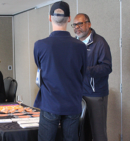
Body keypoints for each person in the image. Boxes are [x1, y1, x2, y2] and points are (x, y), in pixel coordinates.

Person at [33, 2, 87, 141]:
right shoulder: (81, 47)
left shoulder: (40, 45)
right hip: (72, 103)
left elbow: (40, 67)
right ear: (69, 19)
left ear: (50, 18)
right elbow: (83, 72)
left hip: (50, 103)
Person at [72, 13, 112, 141]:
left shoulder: (100, 43)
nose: (77, 27)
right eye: (74, 24)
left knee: (98, 133)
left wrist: (86, 70)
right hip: (78, 94)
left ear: (89, 24)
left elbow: (107, 68)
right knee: (83, 131)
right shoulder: (74, 43)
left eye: (80, 24)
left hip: (95, 94)